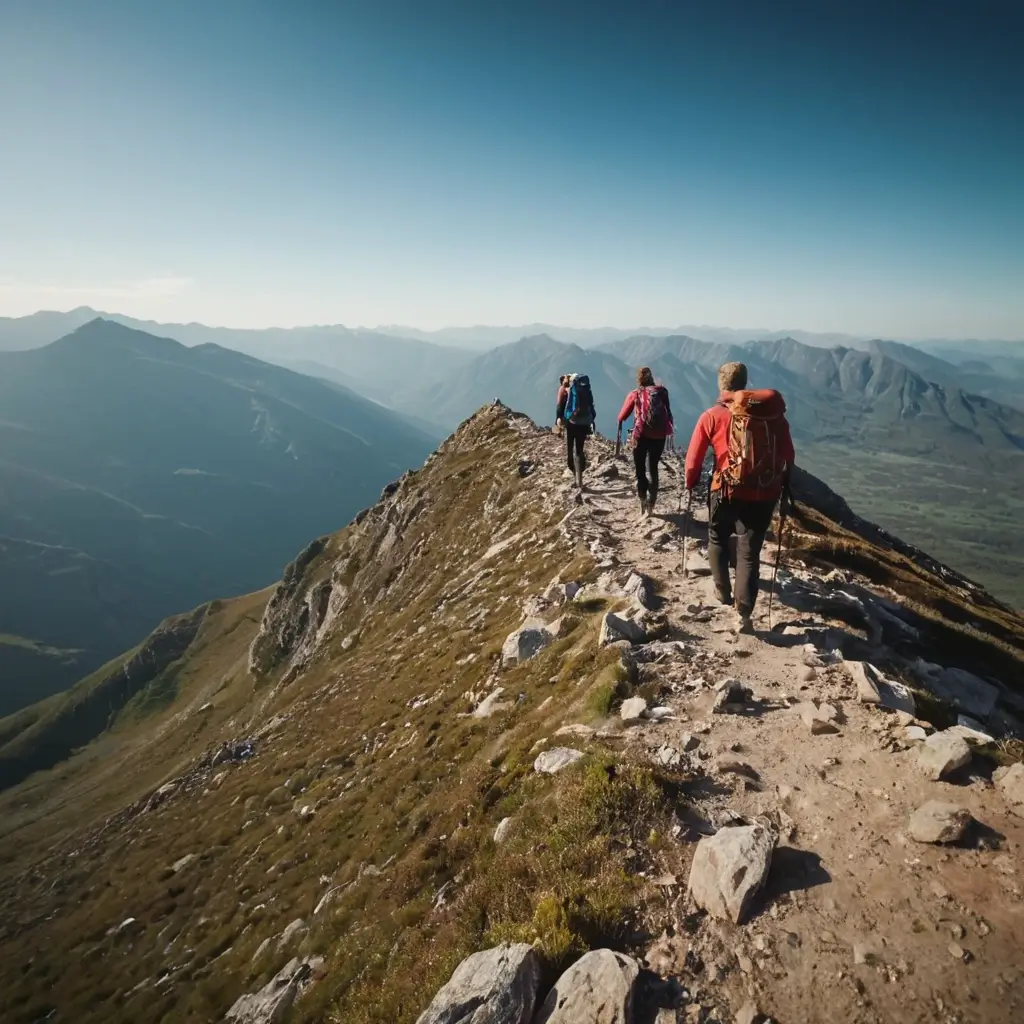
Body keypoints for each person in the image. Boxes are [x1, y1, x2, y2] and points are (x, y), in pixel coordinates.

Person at [684, 361, 795, 634]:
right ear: (745, 384)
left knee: (717, 536)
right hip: (764, 491)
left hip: (726, 489)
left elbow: (692, 461)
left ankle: (723, 594)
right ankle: (743, 614)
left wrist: (690, 483)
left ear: (721, 385)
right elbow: (788, 455)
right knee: (749, 552)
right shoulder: (772, 416)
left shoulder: (711, 416)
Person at [617, 366, 674, 518]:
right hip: (659, 435)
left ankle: (642, 501)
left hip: (640, 435)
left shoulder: (635, 393)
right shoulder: (662, 392)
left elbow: (622, 416)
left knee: (640, 469)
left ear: (639, 379)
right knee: (653, 467)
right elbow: (669, 412)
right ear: (652, 378)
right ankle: (652, 503)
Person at [556, 373, 596, 491]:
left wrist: (559, 418)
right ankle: (581, 479)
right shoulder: (587, 390)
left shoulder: (567, 390)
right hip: (584, 423)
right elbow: (591, 406)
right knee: (579, 448)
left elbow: (561, 406)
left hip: (572, 423)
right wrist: (591, 421)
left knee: (570, 448)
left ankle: (575, 478)